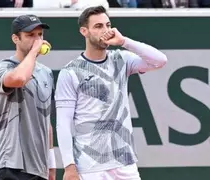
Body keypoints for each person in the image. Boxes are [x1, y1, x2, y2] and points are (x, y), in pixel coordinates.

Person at [55, 5, 167, 180]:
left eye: (108, 25)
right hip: (90, 166)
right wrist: (69, 167)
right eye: (98, 26)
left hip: (124, 162)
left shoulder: (121, 59)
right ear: (84, 31)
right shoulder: (70, 72)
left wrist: (124, 42)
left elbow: (160, 60)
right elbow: (63, 122)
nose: (105, 30)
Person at [0, 14, 56, 180]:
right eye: (30, 35)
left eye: (40, 35)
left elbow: (46, 120)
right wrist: (34, 52)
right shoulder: (3, 67)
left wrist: (51, 164)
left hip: (39, 168)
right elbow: (18, 79)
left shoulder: (46, 73)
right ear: (15, 39)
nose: (37, 40)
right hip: (9, 165)